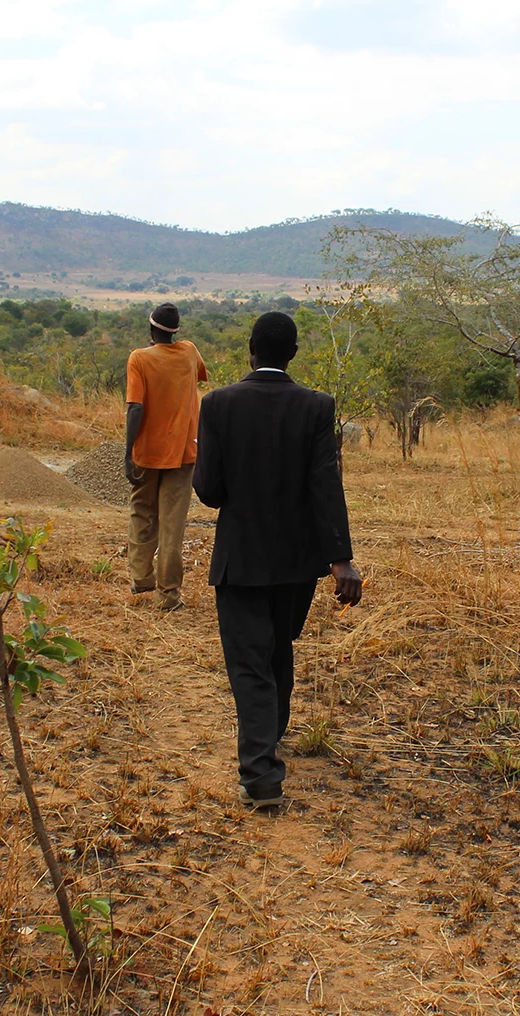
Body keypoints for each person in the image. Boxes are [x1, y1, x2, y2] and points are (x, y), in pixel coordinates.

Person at [193, 311, 362, 808]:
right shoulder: (316, 406)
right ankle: (272, 734)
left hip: (241, 558)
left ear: (250, 349)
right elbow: (325, 486)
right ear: (291, 354)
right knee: (276, 646)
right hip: (296, 562)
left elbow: (208, 490)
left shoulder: (218, 404)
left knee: (249, 664)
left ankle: (262, 776)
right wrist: (340, 559)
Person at [124, 302, 209, 612]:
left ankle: (141, 577)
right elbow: (200, 374)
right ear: (175, 330)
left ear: (150, 330)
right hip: (184, 452)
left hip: (147, 452)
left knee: (142, 512)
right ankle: (168, 594)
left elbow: (135, 407)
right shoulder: (188, 351)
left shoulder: (139, 358)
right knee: (173, 524)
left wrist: (127, 452)